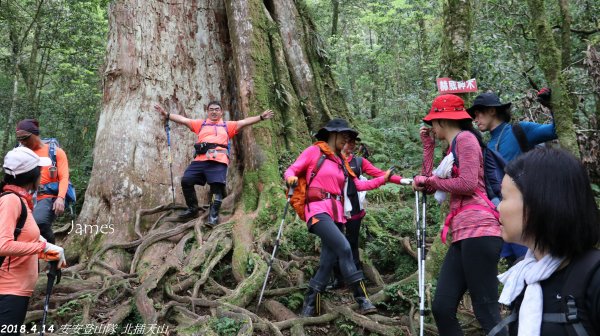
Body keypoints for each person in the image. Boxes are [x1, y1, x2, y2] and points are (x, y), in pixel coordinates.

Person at [412, 94, 505, 335]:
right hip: (462, 235)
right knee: (442, 306)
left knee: (486, 310)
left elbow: (467, 183)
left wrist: (430, 180)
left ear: (442, 121)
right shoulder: (452, 150)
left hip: (481, 231)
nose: (431, 126)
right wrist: (428, 148)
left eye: (433, 121)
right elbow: (431, 184)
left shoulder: (465, 140)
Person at [284, 118, 393, 316]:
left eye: (349, 137)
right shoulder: (314, 152)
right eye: (344, 135)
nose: (347, 140)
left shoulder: (341, 162)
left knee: (327, 261)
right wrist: (290, 177)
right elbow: (292, 169)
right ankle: (363, 299)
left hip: (337, 214)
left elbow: (358, 185)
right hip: (317, 210)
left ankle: (309, 307)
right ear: (332, 135)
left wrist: (382, 180)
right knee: (344, 247)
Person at [495, 147, 600, 335]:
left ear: (538, 203)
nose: (497, 208)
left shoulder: (594, 278)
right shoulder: (525, 274)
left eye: (503, 197)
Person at [467, 91, 557, 264]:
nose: (475, 119)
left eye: (478, 113)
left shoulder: (520, 130)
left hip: (530, 210)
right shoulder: (487, 146)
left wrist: (551, 105)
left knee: (537, 263)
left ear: (492, 111)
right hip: (504, 217)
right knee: (515, 266)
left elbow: (555, 130)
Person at [155, 101, 274, 225]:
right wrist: (166, 114)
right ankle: (192, 209)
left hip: (218, 159)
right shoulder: (201, 124)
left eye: (217, 109)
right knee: (186, 180)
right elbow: (184, 120)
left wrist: (260, 117)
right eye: (211, 109)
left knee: (216, 189)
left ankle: (213, 216)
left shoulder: (227, 125)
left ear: (221, 112)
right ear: (207, 112)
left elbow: (243, 122)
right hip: (200, 160)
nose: (214, 111)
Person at [1, 147, 67, 336]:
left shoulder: (23, 202)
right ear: (31, 175)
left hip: (17, 291)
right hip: (8, 291)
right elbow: (3, 246)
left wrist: (51, 252)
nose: (42, 173)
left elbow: (22, 242)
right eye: (39, 169)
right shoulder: (11, 201)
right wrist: (43, 245)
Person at [328, 135, 405, 289]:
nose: (351, 145)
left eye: (353, 142)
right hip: (334, 207)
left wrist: (404, 181)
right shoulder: (332, 160)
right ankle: (338, 278)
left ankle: (356, 280)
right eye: (348, 141)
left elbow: (380, 174)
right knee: (335, 244)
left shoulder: (359, 162)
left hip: (354, 209)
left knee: (352, 243)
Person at [16, 119, 70, 244]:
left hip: (47, 196)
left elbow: (64, 177)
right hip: (26, 196)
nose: (22, 142)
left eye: (25, 138)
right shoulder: (21, 153)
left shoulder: (56, 152)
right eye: (19, 139)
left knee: (39, 223)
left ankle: (54, 258)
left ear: (35, 134)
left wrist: (60, 198)